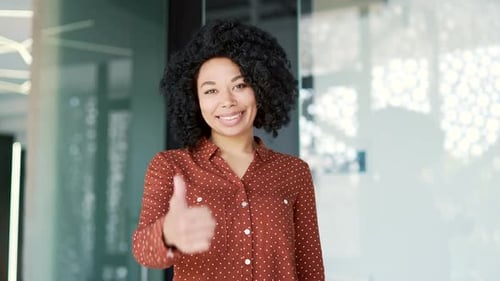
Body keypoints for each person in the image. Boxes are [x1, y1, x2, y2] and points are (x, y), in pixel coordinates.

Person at [132, 19, 325, 281]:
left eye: (240, 85)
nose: (227, 101)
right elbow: (143, 251)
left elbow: (310, 269)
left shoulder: (294, 172)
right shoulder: (170, 166)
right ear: (194, 100)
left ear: (261, 89)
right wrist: (168, 234)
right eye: (211, 90)